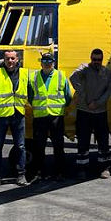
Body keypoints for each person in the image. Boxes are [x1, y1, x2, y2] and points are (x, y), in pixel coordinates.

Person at [70, 49, 111, 179]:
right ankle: (82, 169)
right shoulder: (84, 70)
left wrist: (98, 103)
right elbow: (73, 78)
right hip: (84, 111)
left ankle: (104, 168)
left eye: (99, 60)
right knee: (83, 141)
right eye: (94, 59)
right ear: (90, 58)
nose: (96, 62)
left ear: (102, 59)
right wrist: (86, 99)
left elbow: (109, 89)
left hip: (100, 111)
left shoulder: (106, 72)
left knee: (103, 141)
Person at [0, 50, 29, 188]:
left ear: (17, 59)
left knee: (21, 146)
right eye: (7, 59)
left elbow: (30, 91)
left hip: (18, 114)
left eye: (12, 58)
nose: (10, 61)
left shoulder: (24, 74)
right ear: (4, 60)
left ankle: (21, 174)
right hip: (1, 116)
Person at [28, 53, 71, 182]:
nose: (47, 63)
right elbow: (30, 96)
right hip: (40, 117)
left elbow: (68, 96)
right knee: (39, 147)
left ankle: (60, 172)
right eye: (44, 61)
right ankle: (40, 173)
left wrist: (61, 108)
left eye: (50, 61)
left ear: (54, 63)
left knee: (58, 146)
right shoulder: (33, 77)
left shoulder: (61, 76)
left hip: (56, 117)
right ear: (41, 63)